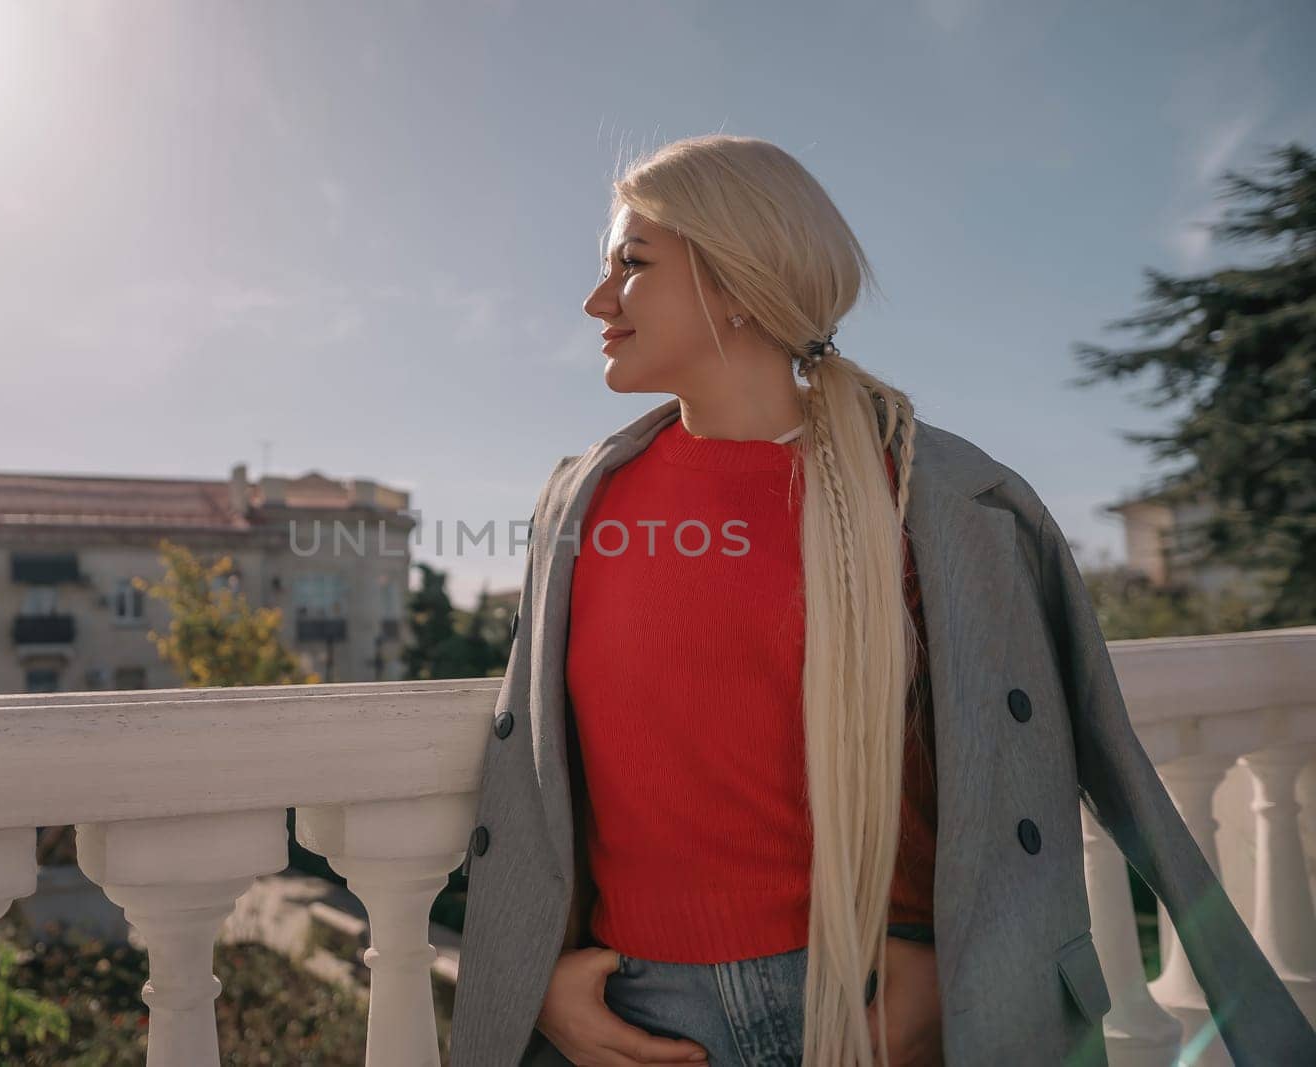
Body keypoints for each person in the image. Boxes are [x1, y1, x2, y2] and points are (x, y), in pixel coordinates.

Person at [446, 134, 1315, 1067]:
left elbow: (1020, 768)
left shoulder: (942, 499)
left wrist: (938, 964)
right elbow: (540, 777)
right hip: (631, 1012)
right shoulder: (577, 504)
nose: (596, 300)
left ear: (738, 279)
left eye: (632, 265)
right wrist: (539, 981)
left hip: (876, 1013)